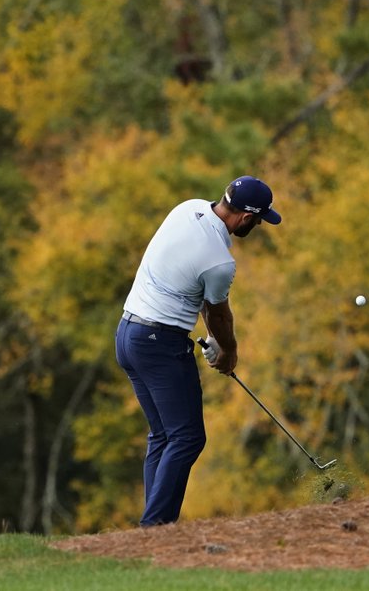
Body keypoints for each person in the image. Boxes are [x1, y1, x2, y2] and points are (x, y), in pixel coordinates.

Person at [115, 175, 282, 527]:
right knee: (187, 437)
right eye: (258, 221)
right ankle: (155, 527)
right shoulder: (220, 262)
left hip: (128, 335)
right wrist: (228, 351)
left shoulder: (187, 209)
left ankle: (153, 528)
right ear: (246, 217)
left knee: (164, 435)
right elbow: (218, 313)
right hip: (159, 344)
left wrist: (213, 339)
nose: (258, 226)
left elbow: (198, 292)